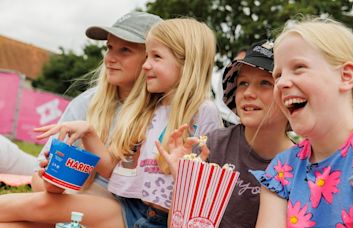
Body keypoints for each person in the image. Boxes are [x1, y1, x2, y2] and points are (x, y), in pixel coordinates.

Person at [0, 18, 221, 228]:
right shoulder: (147, 109)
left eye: (154, 56)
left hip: (158, 216)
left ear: (185, 62)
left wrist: (184, 172)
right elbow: (115, 170)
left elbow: (207, 194)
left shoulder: (200, 112)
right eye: (109, 47)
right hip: (129, 208)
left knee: (36, 206)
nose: (146, 65)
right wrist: (88, 134)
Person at [251, 17, 353, 227]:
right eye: (278, 75)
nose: (282, 82)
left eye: (299, 67)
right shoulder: (281, 171)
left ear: (346, 76)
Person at [158, 40, 294, 227]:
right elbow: (179, 222)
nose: (248, 93)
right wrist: (184, 181)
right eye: (243, 83)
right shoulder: (215, 144)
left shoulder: (301, 163)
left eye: (265, 83)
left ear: (288, 95)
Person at [31, 10, 161, 197]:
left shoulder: (162, 111)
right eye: (109, 47)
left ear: (151, 58)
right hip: (72, 209)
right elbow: (38, 177)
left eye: (125, 50)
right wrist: (51, 183)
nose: (110, 58)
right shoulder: (88, 102)